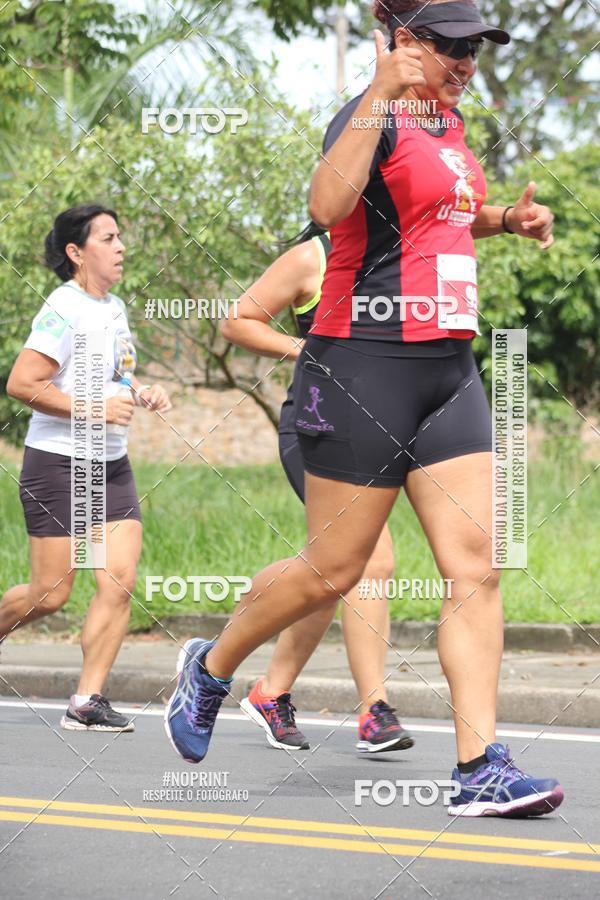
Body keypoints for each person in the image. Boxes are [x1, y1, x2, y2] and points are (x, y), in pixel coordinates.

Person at [165, 0, 564, 818]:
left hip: (448, 369)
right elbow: (327, 206)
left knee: (476, 567)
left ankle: (480, 766)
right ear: (406, 42)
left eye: (475, 50)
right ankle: (210, 666)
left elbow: (437, 221)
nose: (465, 64)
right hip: (361, 366)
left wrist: (505, 221)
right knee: (334, 570)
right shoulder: (370, 114)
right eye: (450, 47)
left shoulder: (449, 127)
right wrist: (381, 91)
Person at [221, 225, 413, 753]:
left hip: (374, 429)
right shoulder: (315, 256)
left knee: (333, 568)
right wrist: (307, 349)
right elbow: (237, 320)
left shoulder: (404, 253)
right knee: (369, 560)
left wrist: (510, 219)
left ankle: (268, 687)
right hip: (316, 426)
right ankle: (375, 711)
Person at [1, 204, 171, 732]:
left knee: (118, 581)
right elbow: (23, 385)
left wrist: (141, 391)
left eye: (121, 236)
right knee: (50, 595)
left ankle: (86, 701)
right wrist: (93, 408)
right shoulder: (63, 307)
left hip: (110, 467)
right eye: (109, 238)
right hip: (57, 464)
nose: (121, 247)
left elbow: (116, 375)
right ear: (77, 253)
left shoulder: (114, 306)